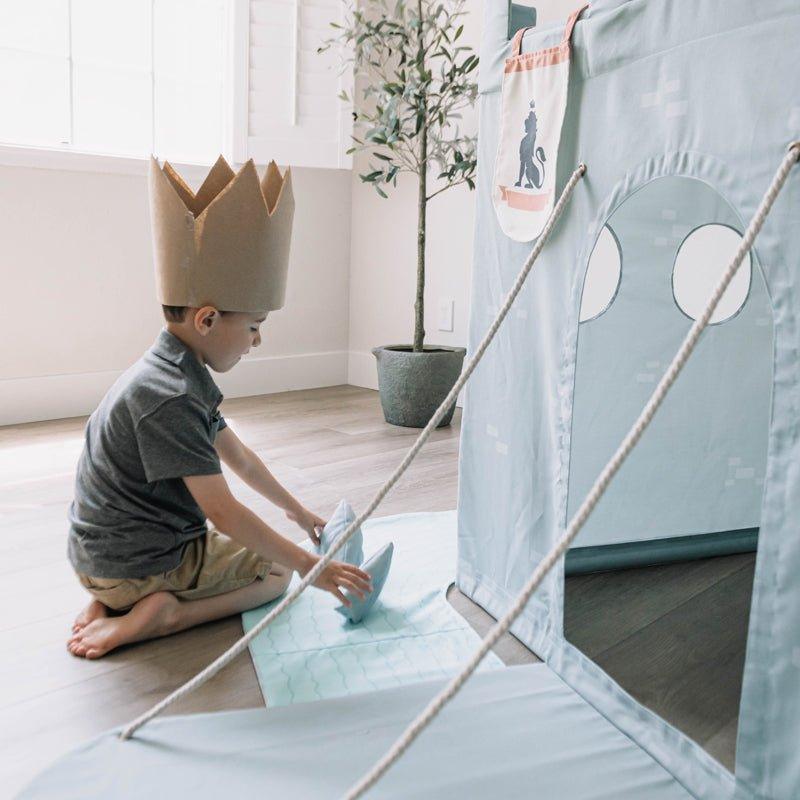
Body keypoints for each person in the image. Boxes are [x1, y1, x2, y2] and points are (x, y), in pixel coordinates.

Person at [66, 156, 371, 659]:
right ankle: (164, 614)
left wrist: (298, 513)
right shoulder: (173, 396)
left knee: (257, 549)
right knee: (277, 574)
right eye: (253, 326)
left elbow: (240, 458)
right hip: (131, 566)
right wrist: (309, 566)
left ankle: (117, 598)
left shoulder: (170, 369)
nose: (257, 340)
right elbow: (222, 511)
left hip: (101, 559)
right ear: (207, 320)